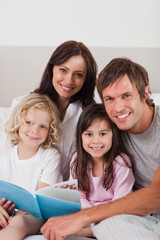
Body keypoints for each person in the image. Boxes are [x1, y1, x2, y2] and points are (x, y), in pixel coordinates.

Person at [40, 57, 160, 240]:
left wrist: (80, 218)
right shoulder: (111, 129)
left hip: (150, 213)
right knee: (108, 225)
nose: (119, 108)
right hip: (141, 220)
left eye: (126, 96)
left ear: (145, 93)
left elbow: (157, 194)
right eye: (109, 99)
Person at [1, 40, 97, 181]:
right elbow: (5, 154)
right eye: (63, 70)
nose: (69, 81)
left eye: (78, 75)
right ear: (52, 69)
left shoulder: (87, 115)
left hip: (62, 191)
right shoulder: (22, 104)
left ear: (85, 80)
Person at [0, 93, 62, 240]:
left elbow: (41, 200)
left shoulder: (50, 156)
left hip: (33, 215)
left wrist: (17, 215)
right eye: (28, 122)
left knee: (19, 222)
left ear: (50, 130)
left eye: (42, 126)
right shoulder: (4, 158)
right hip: (6, 210)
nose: (35, 130)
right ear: (18, 122)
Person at [70, 103, 135, 237]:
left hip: (115, 215)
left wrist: (97, 219)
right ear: (81, 136)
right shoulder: (78, 160)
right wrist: (90, 216)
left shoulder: (120, 162)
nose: (96, 141)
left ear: (113, 135)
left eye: (103, 134)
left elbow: (121, 203)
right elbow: (78, 197)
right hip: (87, 215)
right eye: (89, 134)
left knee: (120, 224)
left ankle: (90, 232)